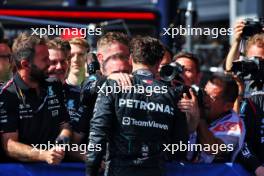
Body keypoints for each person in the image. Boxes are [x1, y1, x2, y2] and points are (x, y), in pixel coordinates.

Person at [86, 36, 189, 176]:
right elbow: (180, 147)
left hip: (118, 170)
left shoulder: (114, 85)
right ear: (159, 62)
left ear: (130, 59)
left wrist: (91, 171)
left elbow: (97, 134)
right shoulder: (172, 94)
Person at [0, 33, 71, 164]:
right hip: (22, 171)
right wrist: (43, 155)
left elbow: (65, 124)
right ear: (25, 64)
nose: (50, 63)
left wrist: (63, 140)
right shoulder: (7, 94)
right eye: (45, 59)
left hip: (57, 167)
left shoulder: (54, 84)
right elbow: (9, 145)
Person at [179, 75, 245, 163]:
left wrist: (199, 117)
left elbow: (212, 148)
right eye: (205, 93)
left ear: (227, 106)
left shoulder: (235, 125)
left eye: (212, 98)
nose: (204, 100)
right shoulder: (197, 108)